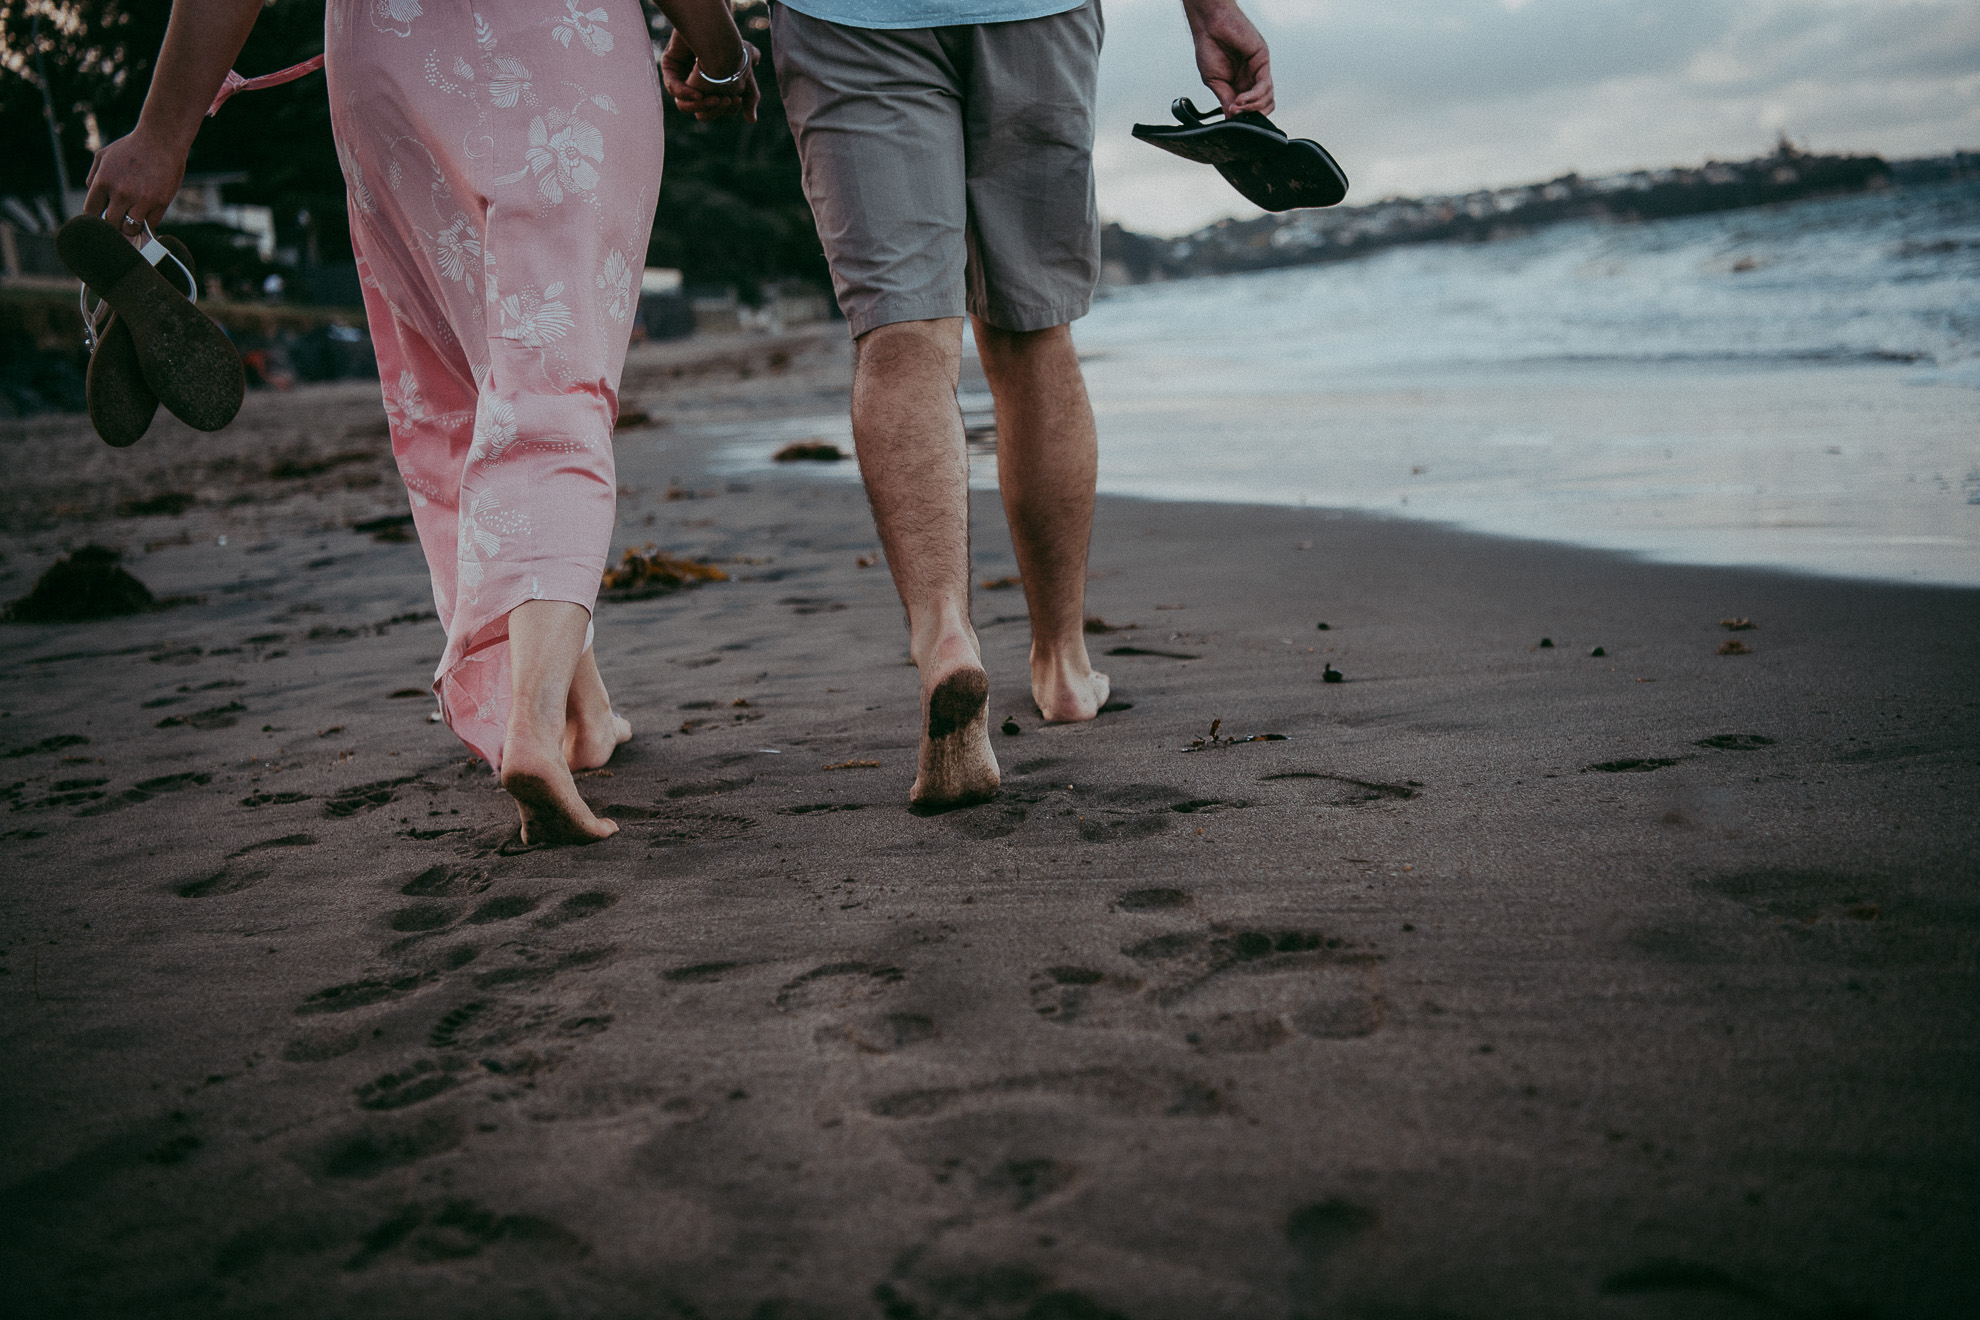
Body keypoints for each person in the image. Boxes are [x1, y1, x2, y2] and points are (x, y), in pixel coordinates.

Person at [85, 0, 761, 844]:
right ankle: (534, 729)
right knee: (552, 381)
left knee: (463, 391)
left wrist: (161, 134)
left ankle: (584, 717)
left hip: (389, 65)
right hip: (557, 51)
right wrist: (722, 51)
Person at [665, 0, 1273, 810]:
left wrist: (713, 38)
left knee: (903, 335)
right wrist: (1211, 9)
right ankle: (1061, 665)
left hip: (850, 21)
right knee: (1033, 333)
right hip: (1033, 13)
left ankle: (945, 633)